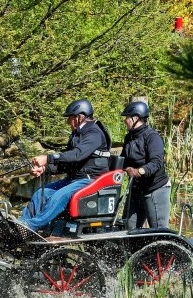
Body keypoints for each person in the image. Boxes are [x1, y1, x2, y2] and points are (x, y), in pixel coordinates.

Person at [19, 99, 111, 232]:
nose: (68, 122)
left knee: (59, 196)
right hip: (75, 179)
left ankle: (32, 226)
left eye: (70, 118)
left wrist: (48, 158)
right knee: (41, 193)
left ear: (80, 116)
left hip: (91, 181)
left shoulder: (94, 133)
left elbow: (77, 155)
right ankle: (23, 224)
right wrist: (44, 169)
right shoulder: (77, 135)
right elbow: (66, 162)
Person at [120, 100, 171, 229]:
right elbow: (123, 160)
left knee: (158, 232)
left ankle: (161, 249)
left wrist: (138, 171)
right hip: (137, 190)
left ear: (135, 118)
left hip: (155, 189)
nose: (125, 120)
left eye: (127, 117)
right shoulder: (129, 138)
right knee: (127, 229)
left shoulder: (152, 137)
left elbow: (156, 163)